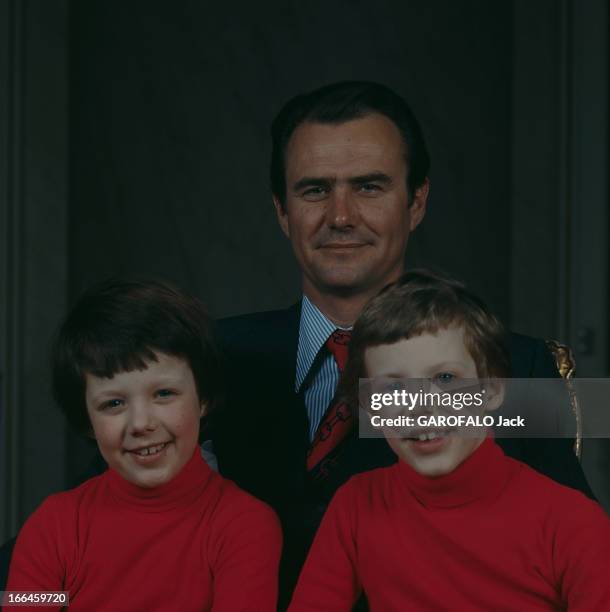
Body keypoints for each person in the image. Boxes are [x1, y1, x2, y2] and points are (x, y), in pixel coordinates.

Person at [211, 81, 595, 605]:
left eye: (369, 186)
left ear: (417, 202)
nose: (341, 217)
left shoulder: (516, 364)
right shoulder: (208, 357)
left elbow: (578, 555)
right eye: (314, 190)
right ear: (282, 210)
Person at [288, 270, 610, 611]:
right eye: (394, 388)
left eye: (445, 378)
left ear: (493, 390)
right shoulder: (356, 503)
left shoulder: (572, 523)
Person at [5, 280, 281, 611]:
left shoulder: (245, 526)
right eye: (113, 404)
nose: (140, 423)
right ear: (86, 420)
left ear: (203, 398)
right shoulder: (53, 525)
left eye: (164, 394)